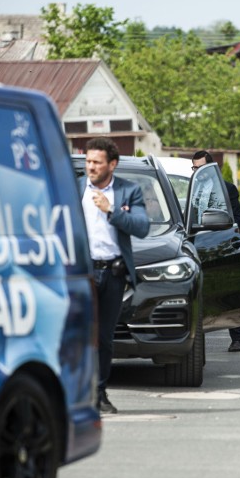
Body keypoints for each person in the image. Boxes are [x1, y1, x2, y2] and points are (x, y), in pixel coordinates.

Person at [80, 137, 150, 413]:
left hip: (112, 273)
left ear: (112, 164)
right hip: (81, 274)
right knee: (80, 335)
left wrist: (111, 211)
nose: (91, 167)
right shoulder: (75, 188)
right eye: (88, 161)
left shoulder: (127, 191)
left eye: (97, 162)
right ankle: (78, 393)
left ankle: (99, 393)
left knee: (104, 337)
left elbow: (142, 227)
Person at [191, 150, 240, 352]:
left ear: (210, 168)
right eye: (194, 168)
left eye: (200, 168)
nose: (197, 172)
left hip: (220, 242)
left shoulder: (227, 189)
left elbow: (237, 217)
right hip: (197, 242)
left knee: (229, 290)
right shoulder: (192, 188)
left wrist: (231, 236)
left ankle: (237, 337)